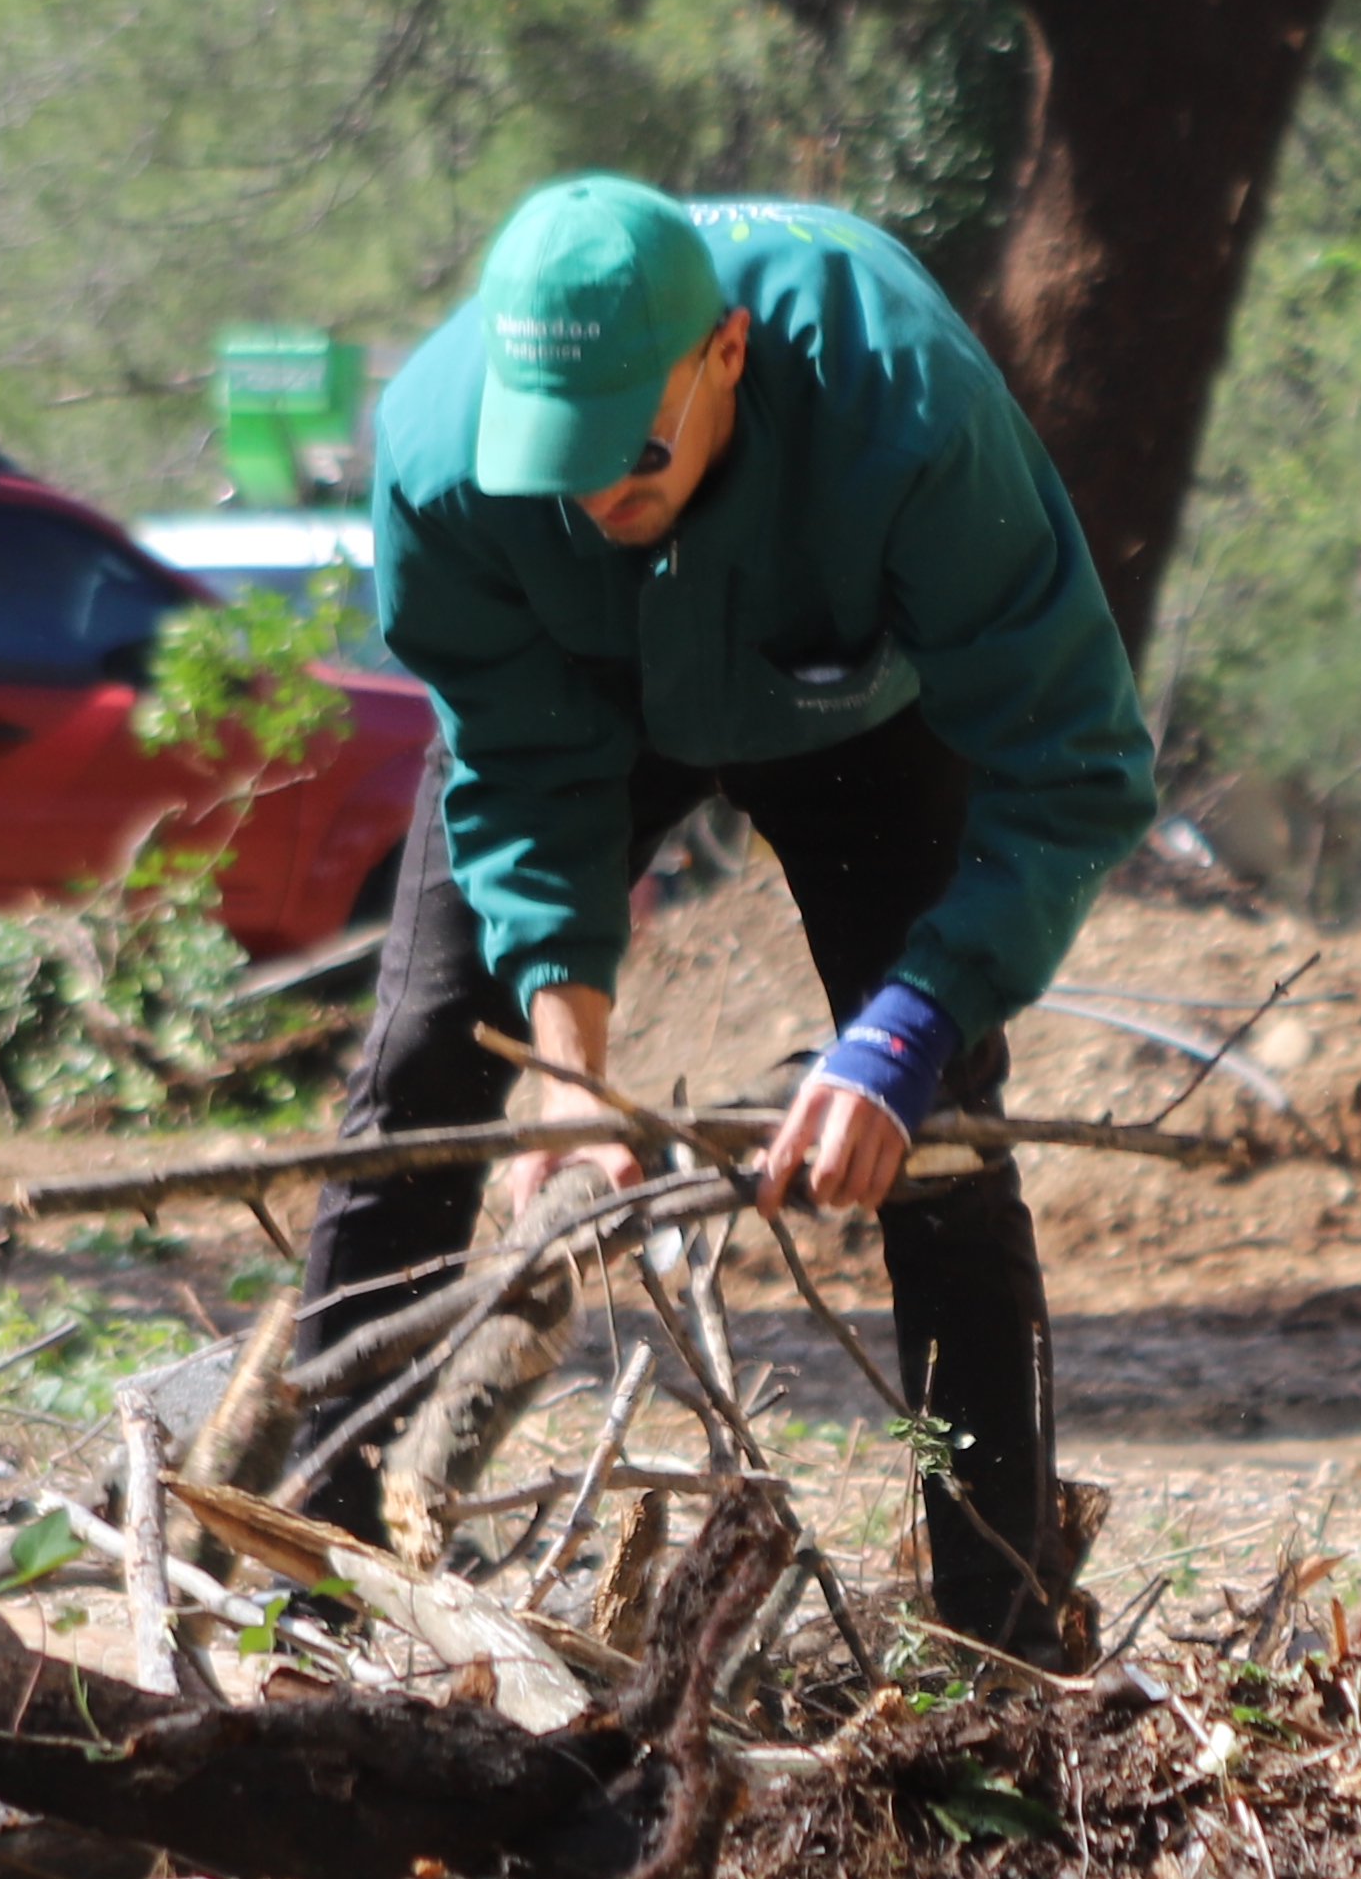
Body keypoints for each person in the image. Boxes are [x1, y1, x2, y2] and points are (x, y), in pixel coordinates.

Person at [298, 175, 1157, 1651]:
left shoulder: (909, 406)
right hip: (585, 698)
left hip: (850, 703)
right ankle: (304, 1580)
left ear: (728, 357)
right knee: (429, 1066)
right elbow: (520, 769)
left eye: (628, 455)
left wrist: (907, 1030)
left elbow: (1076, 769)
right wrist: (568, 1077)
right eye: (555, 469)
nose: (596, 502)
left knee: (943, 1139)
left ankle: (997, 1641)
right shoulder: (443, 457)